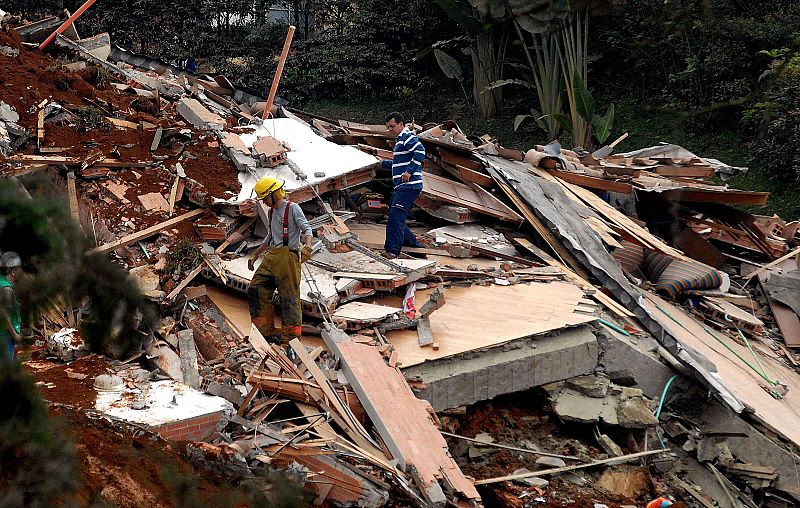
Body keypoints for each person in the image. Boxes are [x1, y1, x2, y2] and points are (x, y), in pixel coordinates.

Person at [247, 177, 313, 349]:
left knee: (288, 298)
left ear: (274, 194)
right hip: (272, 255)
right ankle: (264, 331)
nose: (265, 203)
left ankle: (290, 341)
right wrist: (255, 255)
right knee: (256, 288)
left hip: (288, 257)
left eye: (265, 199)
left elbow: (307, 228)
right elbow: (270, 237)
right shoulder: (270, 212)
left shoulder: (292, 209)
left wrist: (307, 247)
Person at [382, 111, 426, 258]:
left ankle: (392, 251)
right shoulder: (400, 140)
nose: (390, 130)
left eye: (392, 126)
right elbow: (396, 164)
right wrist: (379, 163)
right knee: (397, 215)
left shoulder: (407, 137)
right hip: (403, 187)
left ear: (401, 124)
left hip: (408, 186)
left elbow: (420, 151)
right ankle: (412, 242)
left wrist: (409, 171)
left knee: (395, 216)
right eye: (388, 127)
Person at [0, 251, 22, 362]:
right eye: (19, 270)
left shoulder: (2, 282)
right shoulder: (6, 289)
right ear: (13, 271)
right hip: (5, 334)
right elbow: (3, 313)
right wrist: (14, 334)